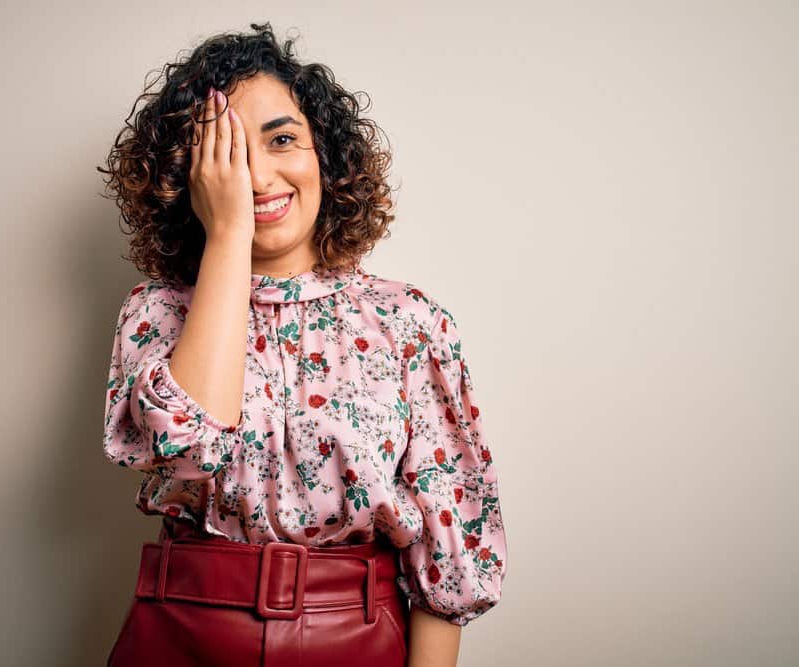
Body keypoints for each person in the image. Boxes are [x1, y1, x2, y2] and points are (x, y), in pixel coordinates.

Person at [97, 22, 508, 667]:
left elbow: (449, 550)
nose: (256, 176)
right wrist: (228, 232)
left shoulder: (409, 322)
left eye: (281, 139)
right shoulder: (155, 310)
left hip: (356, 634)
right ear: (192, 177)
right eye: (225, 152)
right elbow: (185, 443)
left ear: (327, 156)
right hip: (182, 630)